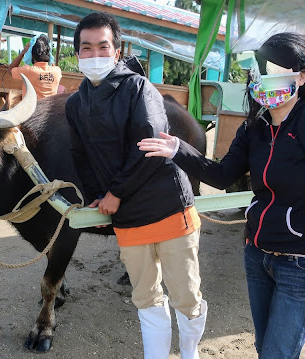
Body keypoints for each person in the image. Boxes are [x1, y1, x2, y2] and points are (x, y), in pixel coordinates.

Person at [138, 32, 305, 358]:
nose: (266, 79)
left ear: (300, 76)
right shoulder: (254, 128)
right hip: (258, 255)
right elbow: (222, 174)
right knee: (264, 347)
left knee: (276, 354)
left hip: (303, 264)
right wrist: (177, 149)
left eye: (276, 70)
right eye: (260, 72)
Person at [65, 12, 207, 359]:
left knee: (185, 295)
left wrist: (115, 193)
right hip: (128, 219)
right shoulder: (75, 103)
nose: (95, 54)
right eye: (87, 48)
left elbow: (151, 147)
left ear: (117, 52)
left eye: (103, 46)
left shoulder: (138, 88)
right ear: (78, 55)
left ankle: (190, 352)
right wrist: (97, 196)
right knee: (145, 295)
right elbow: (81, 157)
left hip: (168, 208)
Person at [8, 34, 62, 99]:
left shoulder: (28, 71)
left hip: (33, 109)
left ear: (31, 54)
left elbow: (10, 69)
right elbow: (52, 63)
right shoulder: (57, 71)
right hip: (50, 108)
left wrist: (23, 52)